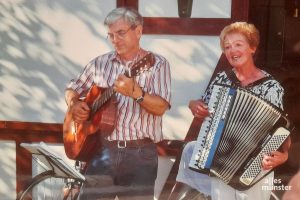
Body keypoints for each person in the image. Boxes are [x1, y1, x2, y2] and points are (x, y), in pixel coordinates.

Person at [168, 22, 291, 200]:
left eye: (238, 44)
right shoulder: (222, 79)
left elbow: (282, 130)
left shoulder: (271, 87)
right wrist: (193, 104)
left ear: (252, 48)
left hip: (254, 166)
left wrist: (284, 156)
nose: (232, 50)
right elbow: (202, 104)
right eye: (227, 47)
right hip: (221, 162)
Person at [64, 7, 171, 200]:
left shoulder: (157, 64)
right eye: (111, 35)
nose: (115, 40)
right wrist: (73, 103)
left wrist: (136, 92)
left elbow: (161, 107)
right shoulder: (99, 64)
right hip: (101, 151)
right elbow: (72, 87)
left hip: (140, 155)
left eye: (120, 33)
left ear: (138, 31)